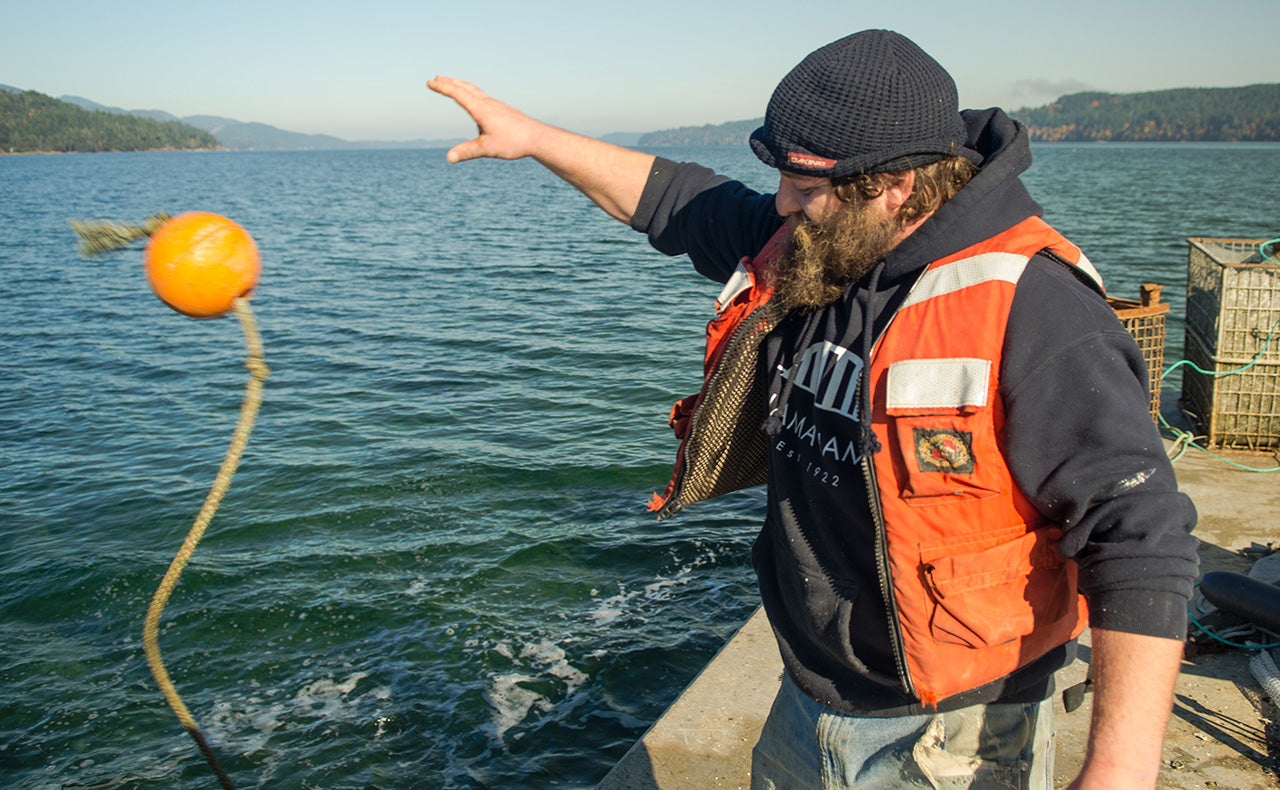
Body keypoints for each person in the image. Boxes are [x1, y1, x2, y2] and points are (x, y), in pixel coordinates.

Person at [428, 29, 1199, 790]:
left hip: (952, 731)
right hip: (807, 699)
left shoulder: (1035, 307)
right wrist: (531, 138)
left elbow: (1140, 535)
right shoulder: (820, 240)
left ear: (896, 186)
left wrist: (1120, 769)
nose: (781, 201)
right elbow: (675, 200)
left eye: (804, 182)